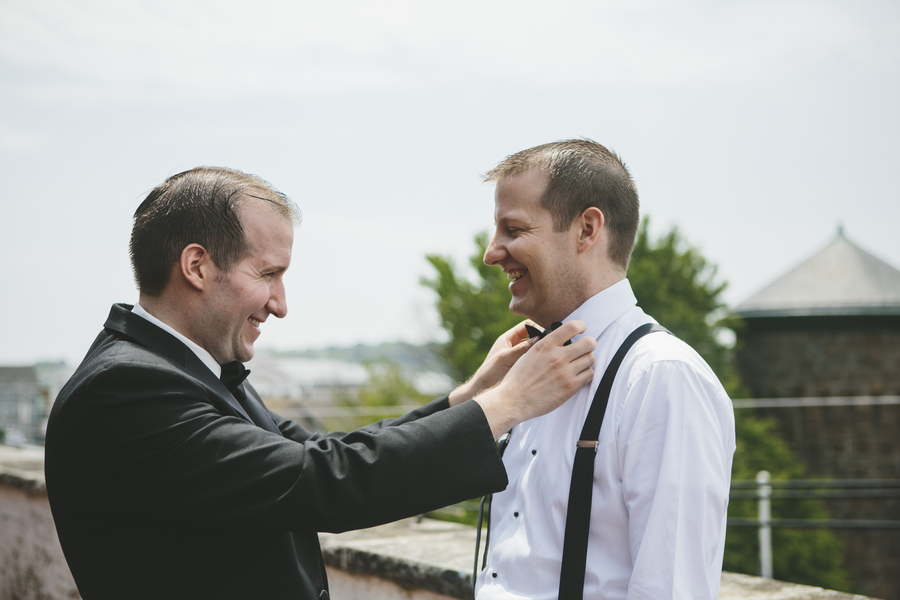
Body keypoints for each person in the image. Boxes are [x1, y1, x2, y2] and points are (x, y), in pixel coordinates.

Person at [44, 166, 598, 600]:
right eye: (268, 274)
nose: (280, 305)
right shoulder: (125, 391)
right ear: (197, 267)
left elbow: (321, 451)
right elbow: (322, 482)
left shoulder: (182, 371)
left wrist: (470, 396)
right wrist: (508, 404)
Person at [473, 140, 736, 600]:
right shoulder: (523, 370)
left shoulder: (660, 378)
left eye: (512, 229)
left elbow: (671, 590)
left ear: (586, 230)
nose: (492, 253)